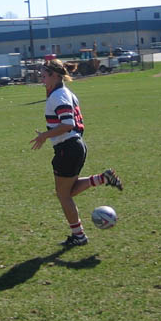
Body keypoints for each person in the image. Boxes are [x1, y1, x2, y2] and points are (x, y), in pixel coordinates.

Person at [30, 58, 123, 247]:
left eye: (44, 76)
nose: (42, 79)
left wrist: (45, 136)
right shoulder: (65, 93)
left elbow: (68, 124)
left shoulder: (58, 96)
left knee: (64, 195)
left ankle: (79, 236)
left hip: (68, 148)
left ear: (55, 76)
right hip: (74, 146)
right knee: (67, 192)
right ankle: (102, 179)